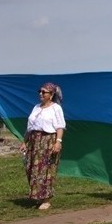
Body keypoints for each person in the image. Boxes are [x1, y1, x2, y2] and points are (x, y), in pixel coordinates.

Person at [19, 82, 66, 210]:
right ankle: (38, 195)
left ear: (51, 95)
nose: (40, 94)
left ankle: (46, 199)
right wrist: (25, 142)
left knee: (46, 170)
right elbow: (30, 127)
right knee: (32, 168)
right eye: (40, 91)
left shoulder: (56, 108)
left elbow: (60, 126)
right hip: (34, 140)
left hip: (48, 140)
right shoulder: (36, 108)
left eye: (44, 92)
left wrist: (58, 142)